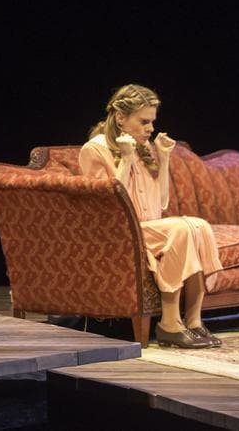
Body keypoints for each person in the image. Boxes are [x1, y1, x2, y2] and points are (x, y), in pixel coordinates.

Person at [79, 84, 224, 349]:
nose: (150, 128)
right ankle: (169, 323)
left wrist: (165, 158)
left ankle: (193, 322)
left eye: (152, 122)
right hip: (118, 232)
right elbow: (111, 205)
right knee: (181, 229)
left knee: (199, 226)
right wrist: (125, 158)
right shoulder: (95, 149)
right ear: (121, 117)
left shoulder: (143, 146)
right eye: (143, 121)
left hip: (146, 228)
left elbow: (163, 202)